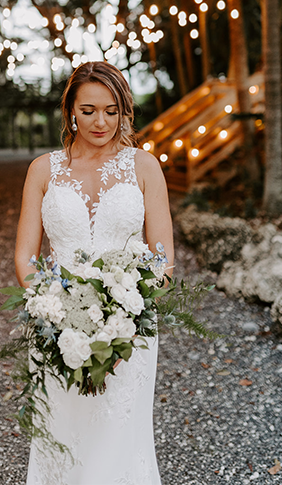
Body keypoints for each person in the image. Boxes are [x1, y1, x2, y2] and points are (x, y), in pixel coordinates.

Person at [13, 61, 174, 484]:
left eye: (111, 110)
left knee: (119, 436)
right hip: (56, 326)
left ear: (125, 112)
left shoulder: (144, 167)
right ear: (70, 111)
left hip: (130, 326)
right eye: (87, 110)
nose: (99, 121)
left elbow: (163, 258)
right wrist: (51, 310)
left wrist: (128, 312)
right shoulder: (42, 170)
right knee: (61, 434)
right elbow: (25, 258)